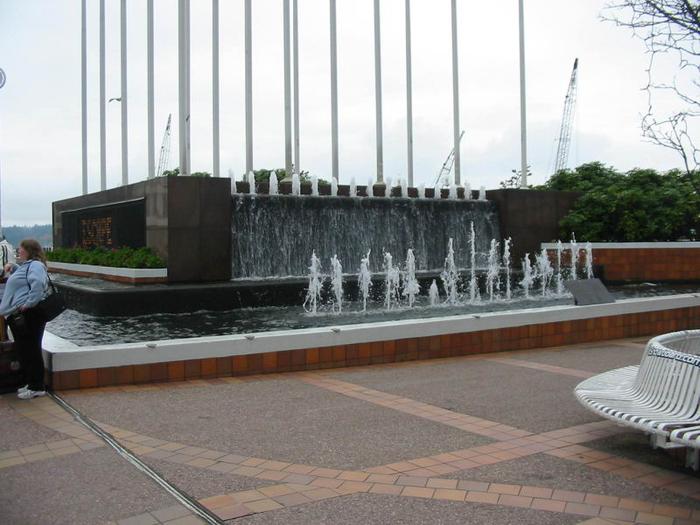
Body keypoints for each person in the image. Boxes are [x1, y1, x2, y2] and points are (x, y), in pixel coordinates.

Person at [0, 239, 49, 399]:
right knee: (24, 349)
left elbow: (38, 284)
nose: (18, 251)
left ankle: (37, 386)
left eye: (20, 249)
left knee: (31, 349)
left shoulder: (36, 265)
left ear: (29, 250)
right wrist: (13, 268)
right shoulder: (28, 265)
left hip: (29, 315)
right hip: (21, 314)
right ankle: (31, 383)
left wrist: (28, 304)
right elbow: (24, 279)